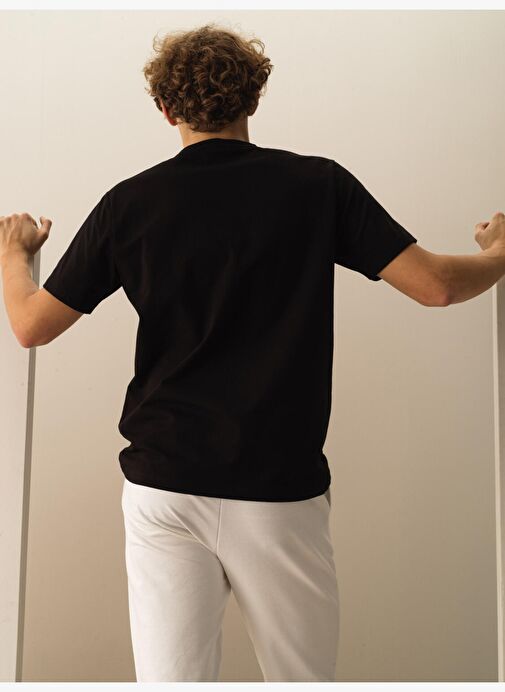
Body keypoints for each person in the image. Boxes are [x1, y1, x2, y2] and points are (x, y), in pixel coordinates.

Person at [0, 21, 504, 684]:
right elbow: (437, 286)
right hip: (277, 489)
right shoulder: (317, 186)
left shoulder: (130, 203)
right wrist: (499, 253)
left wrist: (14, 255)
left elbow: (31, 325)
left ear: (166, 109)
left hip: (164, 485)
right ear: (254, 98)